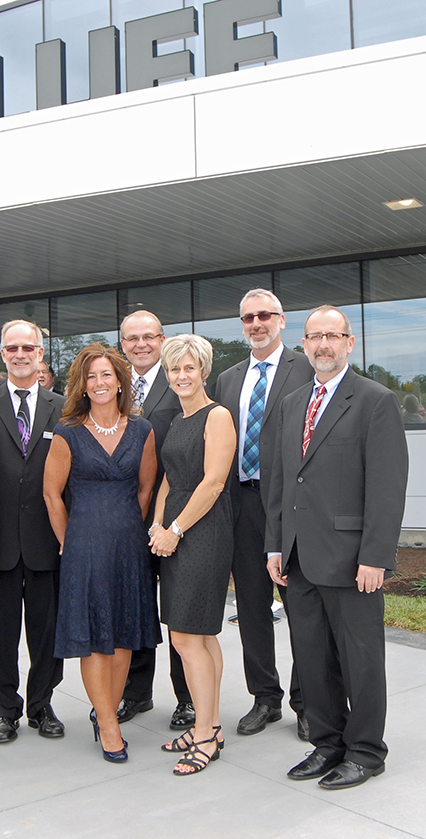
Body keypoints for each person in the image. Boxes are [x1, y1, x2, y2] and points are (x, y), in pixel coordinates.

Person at [266, 305, 408, 790]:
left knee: (360, 660)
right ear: (303, 344)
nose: (322, 344)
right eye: (314, 337)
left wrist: (376, 556)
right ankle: (327, 744)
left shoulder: (376, 400)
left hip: (352, 562)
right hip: (298, 558)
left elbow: (387, 489)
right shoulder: (291, 403)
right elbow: (282, 482)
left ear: (349, 342)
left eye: (332, 335)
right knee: (312, 658)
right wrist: (274, 546)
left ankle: (366, 752)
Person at [44, 344, 159, 762]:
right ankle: (108, 724)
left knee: (124, 634)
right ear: (82, 384)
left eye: (106, 375)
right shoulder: (68, 432)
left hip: (129, 545)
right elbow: (52, 495)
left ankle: (105, 711)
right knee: (94, 639)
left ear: (119, 380)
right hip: (84, 546)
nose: (99, 383)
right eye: (91, 377)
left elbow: (146, 488)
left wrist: (127, 525)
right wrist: (67, 539)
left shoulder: (142, 431)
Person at [215, 289, 314, 739]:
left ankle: (308, 702)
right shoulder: (229, 377)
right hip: (241, 503)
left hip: (290, 507)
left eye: (264, 316)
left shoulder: (307, 369)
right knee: (252, 607)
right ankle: (265, 699)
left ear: (281, 320)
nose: (256, 323)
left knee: (299, 607)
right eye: (248, 317)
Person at [0, 321, 65, 744]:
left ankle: (41, 705)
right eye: (12, 347)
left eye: (29, 347)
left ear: (41, 353)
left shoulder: (63, 408)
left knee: (47, 632)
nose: (21, 353)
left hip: (48, 542)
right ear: (2, 353)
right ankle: (5, 710)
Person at [151, 335, 236, 776]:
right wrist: (158, 525)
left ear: (204, 370)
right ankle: (213, 724)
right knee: (200, 635)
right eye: (174, 370)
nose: (181, 376)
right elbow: (171, 478)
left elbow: (213, 482)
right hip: (176, 531)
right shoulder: (178, 419)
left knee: (186, 636)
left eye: (189, 368)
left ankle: (204, 735)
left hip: (204, 531)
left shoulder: (216, 415)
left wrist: (177, 530)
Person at [118, 310, 195, 731]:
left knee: (180, 609)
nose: (141, 344)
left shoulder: (182, 380)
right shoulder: (112, 383)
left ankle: (186, 698)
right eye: (132, 338)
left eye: (149, 336)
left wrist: (173, 521)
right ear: (123, 343)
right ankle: (136, 692)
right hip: (127, 518)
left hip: (173, 517)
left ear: (163, 339)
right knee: (137, 607)